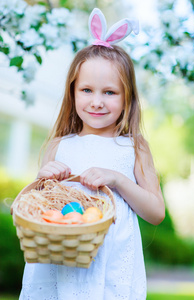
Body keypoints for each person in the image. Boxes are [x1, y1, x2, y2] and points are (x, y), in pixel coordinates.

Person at [19, 8, 165, 300]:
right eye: (87, 90)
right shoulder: (59, 145)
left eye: (110, 92)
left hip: (110, 267)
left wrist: (120, 180)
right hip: (59, 263)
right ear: (72, 93)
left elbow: (156, 213)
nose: (97, 102)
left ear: (127, 99)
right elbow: (36, 207)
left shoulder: (134, 146)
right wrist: (41, 180)